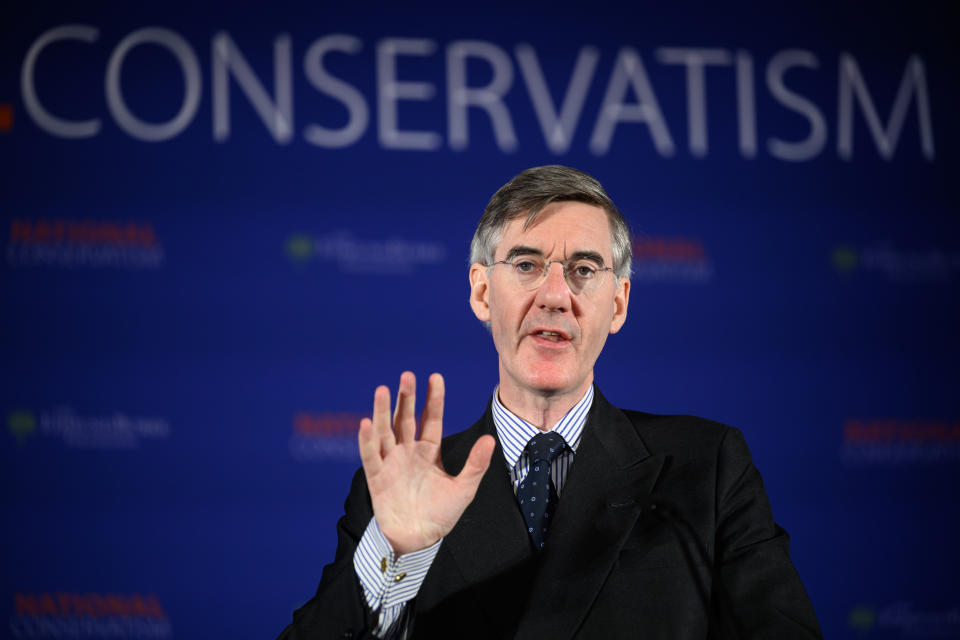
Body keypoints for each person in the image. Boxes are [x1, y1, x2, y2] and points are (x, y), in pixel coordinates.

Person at [279, 165, 822, 639]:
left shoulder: (706, 469)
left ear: (618, 304)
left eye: (584, 270)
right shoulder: (405, 489)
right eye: (526, 264)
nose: (556, 295)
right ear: (482, 293)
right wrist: (394, 554)